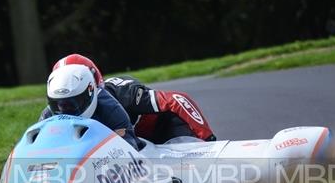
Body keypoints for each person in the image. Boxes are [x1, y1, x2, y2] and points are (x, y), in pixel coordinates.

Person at [48, 54, 216, 144]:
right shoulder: (54, 110)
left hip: (164, 134)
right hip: (131, 144)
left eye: (75, 101)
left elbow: (177, 100)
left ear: (91, 86)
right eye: (61, 103)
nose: (66, 108)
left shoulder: (125, 92)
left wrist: (208, 140)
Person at [43, 63, 145, 151]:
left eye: (71, 104)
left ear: (89, 92)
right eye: (58, 105)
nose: (64, 111)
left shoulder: (110, 108)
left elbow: (130, 146)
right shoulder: (48, 115)